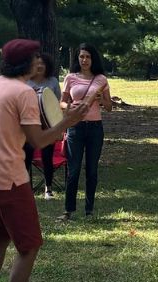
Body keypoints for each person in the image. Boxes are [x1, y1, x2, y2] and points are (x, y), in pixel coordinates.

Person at [0, 39, 87, 282]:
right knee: (30, 245)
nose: (39, 61)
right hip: (9, 179)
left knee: (1, 234)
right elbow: (38, 141)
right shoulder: (23, 93)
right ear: (24, 63)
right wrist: (69, 121)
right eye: (35, 57)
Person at [58, 43, 112, 220]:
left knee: (92, 171)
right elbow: (61, 103)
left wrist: (100, 98)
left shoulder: (101, 79)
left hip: (95, 128)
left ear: (93, 59)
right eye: (81, 56)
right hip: (76, 127)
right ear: (77, 59)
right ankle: (68, 210)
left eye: (88, 57)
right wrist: (69, 107)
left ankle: (89, 211)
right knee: (73, 171)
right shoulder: (70, 78)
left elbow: (109, 107)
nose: (84, 60)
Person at [26, 52, 61, 200]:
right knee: (26, 157)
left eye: (42, 63)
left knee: (47, 157)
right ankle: (26, 188)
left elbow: (56, 103)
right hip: (29, 124)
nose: (39, 66)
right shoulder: (26, 81)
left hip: (47, 125)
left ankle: (48, 189)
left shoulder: (52, 81)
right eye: (36, 63)